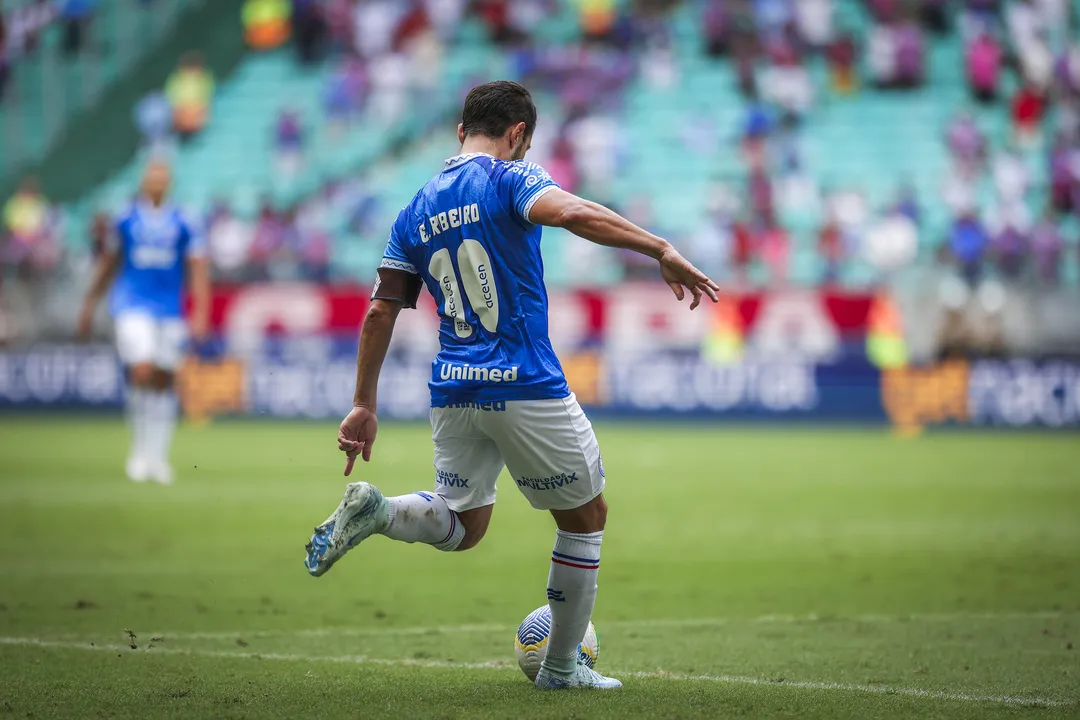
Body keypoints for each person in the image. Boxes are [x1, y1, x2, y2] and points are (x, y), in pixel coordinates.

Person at [302, 81, 718, 690]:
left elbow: (379, 310)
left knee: (463, 526)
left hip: (453, 388)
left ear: (459, 131)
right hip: (525, 381)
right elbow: (572, 212)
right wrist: (659, 247)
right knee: (584, 518)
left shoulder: (413, 208)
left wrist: (364, 401)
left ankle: (381, 511)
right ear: (518, 133)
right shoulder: (509, 179)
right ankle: (560, 669)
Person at [76, 161, 211, 485]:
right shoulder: (125, 219)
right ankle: (138, 454)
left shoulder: (185, 221)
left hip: (169, 310)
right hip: (131, 305)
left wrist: (201, 311)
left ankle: (157, 457)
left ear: (169, 182)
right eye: (152, 176)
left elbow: (197, 268)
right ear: (143, 182)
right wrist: (90, 303)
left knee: (164, 381)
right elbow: (110, 263)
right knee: (142, 370)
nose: (157, 182)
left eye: (162, 176)